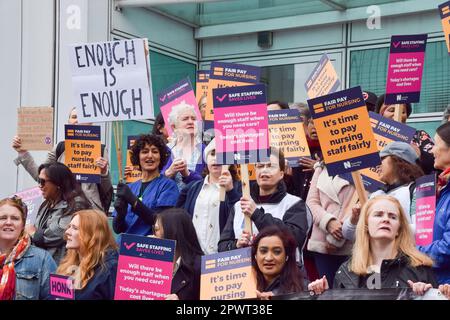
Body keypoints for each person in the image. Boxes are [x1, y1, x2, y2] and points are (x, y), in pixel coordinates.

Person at [309, 196, 437, 295]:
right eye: (378, 215)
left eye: (393, 217)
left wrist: (426, 294)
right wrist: (325, 295)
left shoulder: (419, 269)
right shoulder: (347, 271)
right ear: (366, 225)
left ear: (399, 229)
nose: (386, 219)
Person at [218, 147, 311, 270]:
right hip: (244, 276)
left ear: (281, 174)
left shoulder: (294, 204)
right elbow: (222, 247)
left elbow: (293, 239)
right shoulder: (239, 205)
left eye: (270, 166)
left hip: (284, 278)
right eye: (260, 166)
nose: (264, 170)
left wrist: (257, 215)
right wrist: (236, 244)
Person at [12, 107, 113, 213]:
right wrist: (23, 153)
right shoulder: (59, 148)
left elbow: (106, 190)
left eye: (82, 117)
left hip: (90, 211)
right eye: (74, 117)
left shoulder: (100, 150)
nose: (77, 120)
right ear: (69, 122)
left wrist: (104, 172)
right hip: (62, 210)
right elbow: (40, 176)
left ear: (91, 123)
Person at [343, 141, 424, 243]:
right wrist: (354, 220)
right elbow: (349, 234)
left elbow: (422, 231)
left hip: (404, 257)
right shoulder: (376, 195)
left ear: (398, 161)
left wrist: (382, 225)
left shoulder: (418, 191)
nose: (377, 165)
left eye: (382, 159)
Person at [176, 138, 242, 254]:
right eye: (212, 153)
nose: (216, 158)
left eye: (222, 154)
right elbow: (178, 218)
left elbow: (239, 220)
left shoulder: (239, 188)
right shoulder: (192, 188)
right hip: (193, 257)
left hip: (221, 258)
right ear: (206, 158)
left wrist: (231, 191)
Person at [112, 134, 179, 237]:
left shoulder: (168, 186)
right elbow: (118, 229)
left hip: (148, 248)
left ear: (161, 157)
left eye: (155, 151)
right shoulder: (130, 187)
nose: (150, 156)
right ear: (137, 157)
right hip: (125, 247)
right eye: (145, 152)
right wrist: (120, 214)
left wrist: (133, 201)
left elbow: (161, 221)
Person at [27, 163, 91, 264]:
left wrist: (34, 233)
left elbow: (57, 234)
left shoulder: (76, 205)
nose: (40, 186)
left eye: (43, 181)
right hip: (42, 264)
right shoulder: (47, 203)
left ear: (58, 183)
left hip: (64, 268)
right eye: (39, 181)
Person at [306, 159, 355, 287]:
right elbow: (311, 202)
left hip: (350, 246)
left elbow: (365, 202)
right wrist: (328, 222)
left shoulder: (364, 167)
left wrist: (340, 231)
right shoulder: (321, 168)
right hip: (322, 245)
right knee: (327, 291)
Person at [0, 196, 56, 300]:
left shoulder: (44, 259)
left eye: (15, 218)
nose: (8, 222)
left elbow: (63, 297)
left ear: (22, 225)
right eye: (3, 218)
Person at [57, 210, 118, 300]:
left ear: (92, 234)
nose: (67, 232)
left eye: (74, 228)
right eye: (69, 227)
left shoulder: (110, 269)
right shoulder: (70, 261)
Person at [418, 122, 450, 284]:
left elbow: (447, 249)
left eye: (436, 144)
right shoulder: (444, 188)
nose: (431, 150)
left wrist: (415, 251)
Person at [375, 94, 435, 174]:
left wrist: (420, 154)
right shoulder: (371, 138)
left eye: (403, 111)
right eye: (392, 110)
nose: (397, 114)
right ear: (380, 114)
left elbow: (436, 162)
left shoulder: (419, 136)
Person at [154, 208, 203, 300]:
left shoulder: (200, 268)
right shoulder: (151, 262)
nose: (154, 235)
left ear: (172, 232)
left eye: (156, 230)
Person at [252, 225, 305, 299]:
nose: (269, 258)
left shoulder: (304, 288)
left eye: (277, 252)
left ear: (286, 256)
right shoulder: (243, 287)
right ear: (255, 256)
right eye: (263, 251)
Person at [163, 101, 205, 190]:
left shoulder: (205, 150)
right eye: (185, 119)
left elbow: (208, 183)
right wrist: (169, 172)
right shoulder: (164, 150)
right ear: (174, 127)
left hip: (194, 202)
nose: (190, 122)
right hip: (169, 203)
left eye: (193, 119)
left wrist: (187, 174)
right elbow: (154, 182)